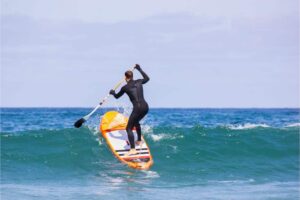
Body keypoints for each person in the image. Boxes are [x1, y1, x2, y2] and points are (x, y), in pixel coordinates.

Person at [110, 64, 150, 156]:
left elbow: (116, 97)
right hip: (145, 107)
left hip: (137, 108)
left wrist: (112, 93)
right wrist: (140, 69)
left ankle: (132, 149)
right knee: (136, 122)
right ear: (132, 76)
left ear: (125, 77)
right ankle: (139, 140)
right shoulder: (139, 81)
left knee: (128, 128)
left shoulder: (125, 87)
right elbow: (147, 78)